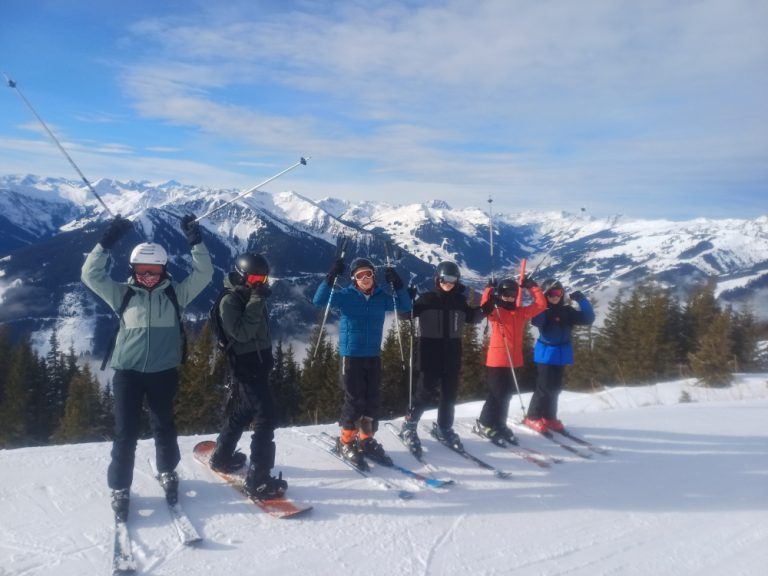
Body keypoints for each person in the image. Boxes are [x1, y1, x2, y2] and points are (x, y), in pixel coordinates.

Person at [81, 214, 213, 521]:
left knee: (164, 427)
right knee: (125, 433)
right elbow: (90, 274)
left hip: (163, 373)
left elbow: (204, 273)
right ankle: (119, 487)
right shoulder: (122, 294)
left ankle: (168, 472)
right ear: (133, 269)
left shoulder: (175, 294)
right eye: (142, 269)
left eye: (154, 270)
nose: (149, 275)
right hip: (127, 374)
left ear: (164, 270)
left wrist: (196, 241)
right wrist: (107, 240)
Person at [313, 256, 411, 470]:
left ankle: (366, 439)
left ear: (374, 276)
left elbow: (405, 305)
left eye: (368, 274)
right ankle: (346, 441)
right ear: (354, 279)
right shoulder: (346, 296)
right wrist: (330, 277)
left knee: (372, 400)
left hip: (373, 356)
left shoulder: (381, 297)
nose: (365, 278)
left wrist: (399, 284)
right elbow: (319, 300)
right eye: (360, 275)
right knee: (355, 400)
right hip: (351, 356)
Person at [209, 252, 288, 500]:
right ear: (242, 276)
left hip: (258, 363)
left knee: (245, 408)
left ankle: (222, 456)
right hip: (244, 367)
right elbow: (242, 334)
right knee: (265, 417)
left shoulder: (251, 294)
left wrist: (255, 298)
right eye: (254, 277)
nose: (260, 282)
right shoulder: (230, 301)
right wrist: (255, 300)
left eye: (263, 278)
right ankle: (258, 480)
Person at [399, 261, 484, 455]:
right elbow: (405, 315)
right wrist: (407, 298)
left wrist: (488, 305)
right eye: (445, 279)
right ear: (438, 279)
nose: (448, 283)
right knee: (424, 392)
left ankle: (444, 427)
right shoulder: (427, 299)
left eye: (452, 279)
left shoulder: (460, 301)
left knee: (449, 395)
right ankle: (409, 426)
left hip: (452, 354)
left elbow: (473, 317)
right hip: (430, 354)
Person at [476, 275, 547, 444]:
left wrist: (533, 287)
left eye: (512, 295)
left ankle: (500, 424)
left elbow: (541, 305)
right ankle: (485, 423)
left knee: (506, 395)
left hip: (514, 360)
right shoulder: (495, 312)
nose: (508, 297)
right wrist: (488, 290)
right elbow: (483, 307)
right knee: (496, 394)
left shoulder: (520, 313)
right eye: (505, 294)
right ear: (500, 295)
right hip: (497, 360)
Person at [524, 279, 595, 433]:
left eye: (558, 292)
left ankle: (549, 417)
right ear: (545, 295)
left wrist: (581, 300)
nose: (555, 296)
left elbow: (588, 319)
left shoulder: (567, 311)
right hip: (546, 354)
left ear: (562, 293)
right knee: (544, 388)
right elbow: (538, 322)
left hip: (562, 353)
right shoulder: (543, 311)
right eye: (550, 293)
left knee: (555, 388)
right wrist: (541, 302)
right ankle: (533, 416)